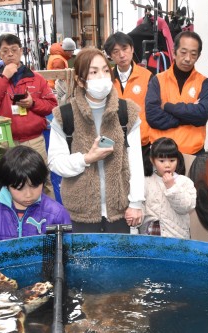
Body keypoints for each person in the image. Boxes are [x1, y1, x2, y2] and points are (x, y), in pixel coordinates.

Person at [47, 47, 144, 233]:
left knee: (117, 260)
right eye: (93, 72)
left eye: (106, 70)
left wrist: (136, 202)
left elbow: (136, 161)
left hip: (120, 210)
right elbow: (55, 162)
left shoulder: (126, 112)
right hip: (81, 213)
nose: (102, 76)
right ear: (80, 81)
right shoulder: (64, 116)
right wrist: (86, 159)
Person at [0, 33, 58, 199]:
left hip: (34, 140)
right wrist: (4, 77)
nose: (10, 54)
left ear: (21, 51)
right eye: (5, 50)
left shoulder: (36, 78)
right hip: (7, 142)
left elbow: (52, 105)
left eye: (14, 50)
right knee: (10, 181)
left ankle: (51, 218)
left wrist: (33, 103)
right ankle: (15, 217)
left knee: (42, 180)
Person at [0, 145, 71, 244]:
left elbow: (66, 249)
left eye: (34, 186)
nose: (28, 194)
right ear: (6, 185)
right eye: (19, 188)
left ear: (43, 182)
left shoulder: (57, 213)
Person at [145, 30, 208, 155]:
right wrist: (189, 118)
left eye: (193, 54)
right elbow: (153, 117)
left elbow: (202, 116)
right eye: (183, 52)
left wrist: (167, 106)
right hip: (160, 155)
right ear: (174, 52)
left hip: (193, 155)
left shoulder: (204, 83)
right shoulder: (157, 80)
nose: (188, 58)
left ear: (198, 56)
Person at [103, 32, 154, 165]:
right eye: (115, 51)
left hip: (142, 141)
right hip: (114, 142)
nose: (121, 55)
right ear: (110, 55)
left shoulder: (148, 77)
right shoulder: (106, 79)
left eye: (125, 49)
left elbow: (153, 110)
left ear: (132, 48)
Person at [141, 137, 196, 238]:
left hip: (177, 238)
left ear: (177, 160)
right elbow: (141, 207)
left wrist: (172, 187)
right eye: (161, 161)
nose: (167, 165)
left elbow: (186, 207)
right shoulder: (146, 181)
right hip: (151, 235)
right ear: (152, 161)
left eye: (172, 160)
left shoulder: (184, 182)